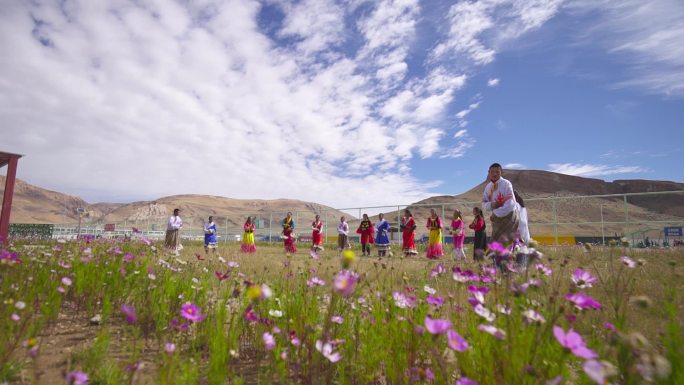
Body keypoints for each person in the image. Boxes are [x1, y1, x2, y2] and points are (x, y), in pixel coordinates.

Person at [482, 163, 519, 243]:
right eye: (492, 172)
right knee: (496, 244)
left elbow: (510, 203)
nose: (494, 174)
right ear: (489, 172)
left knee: (507, 244)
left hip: (509, 218)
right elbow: (484, 204)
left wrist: (495, 213)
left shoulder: (506, 184)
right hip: (496, 221)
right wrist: (492, 205)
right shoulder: (488, 187)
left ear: (501, 172)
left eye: (497, 172)